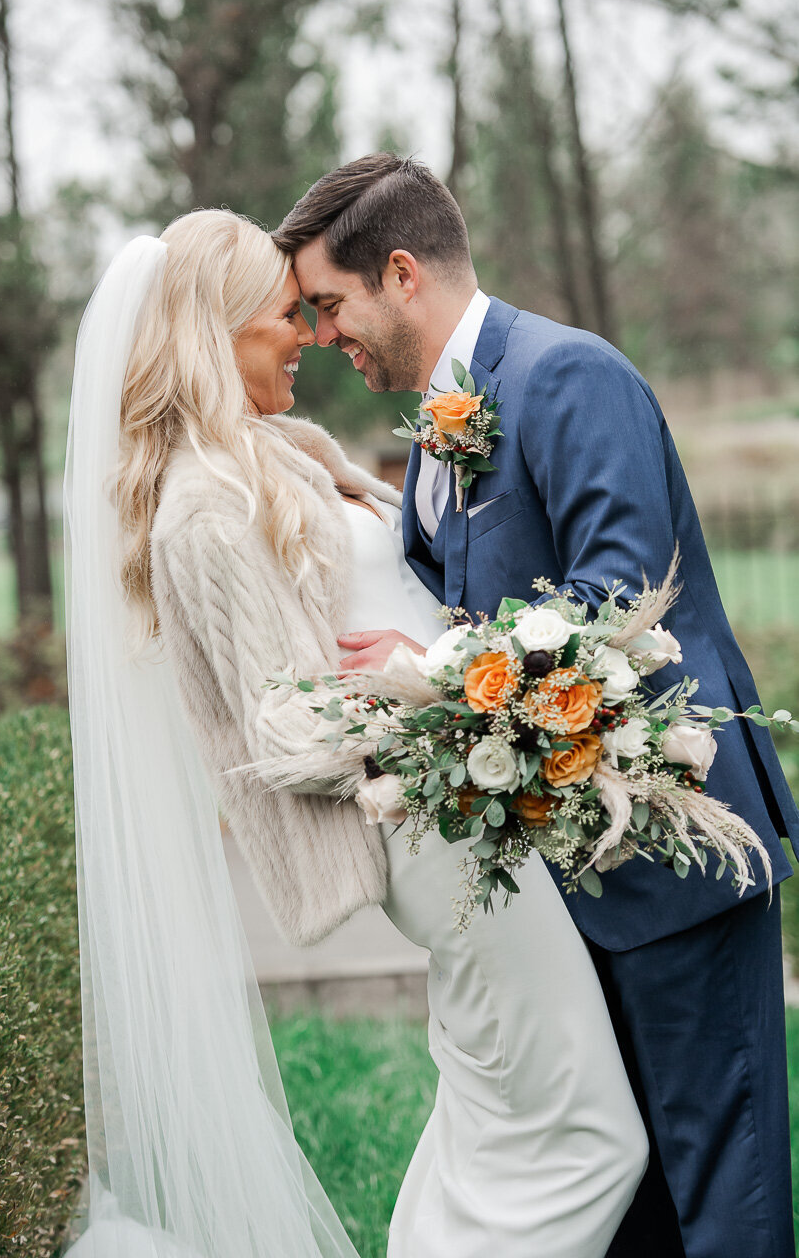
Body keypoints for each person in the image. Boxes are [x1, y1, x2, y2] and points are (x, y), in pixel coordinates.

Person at [63, 208, 647, 1258]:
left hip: (466, 813)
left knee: (500, 1113)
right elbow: (279, 725)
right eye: (287, 315)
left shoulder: (275, 453)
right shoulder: (204, 504)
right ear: (220, 328)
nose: (310, 335)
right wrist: (421, 684)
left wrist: (460, 665)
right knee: (586, 1135)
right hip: (433, 834)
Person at [275, 152, 799, 1258]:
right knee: (630, 1194)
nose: (323, 336)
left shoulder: (568, 376)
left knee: (722, 1189)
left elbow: (620, 599)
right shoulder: (435, 428)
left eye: (330, 304)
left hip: (670, 854)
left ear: (402, 272)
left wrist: (433, 664)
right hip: (567, 872)